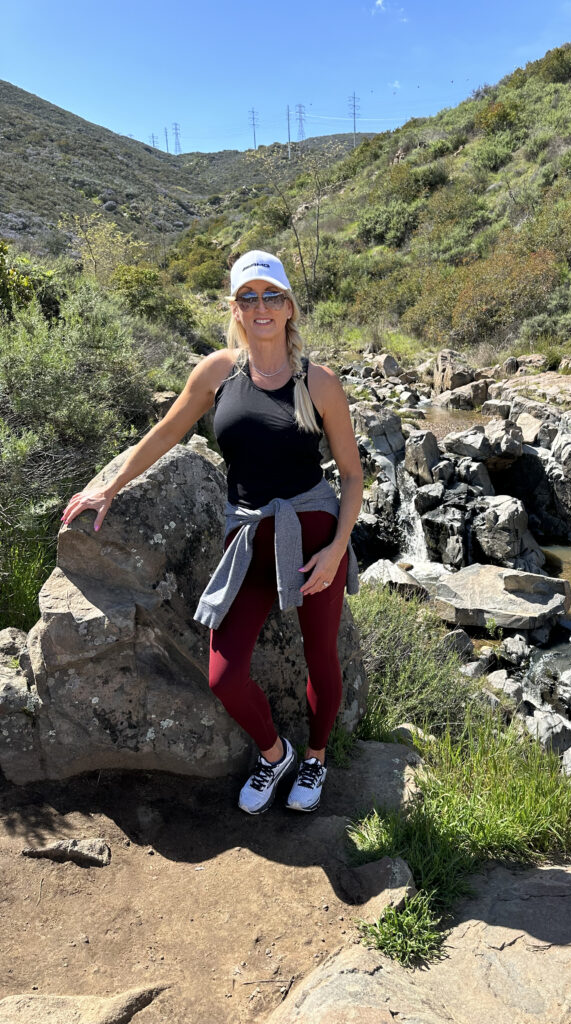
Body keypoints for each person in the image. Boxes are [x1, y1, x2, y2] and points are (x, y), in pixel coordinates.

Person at [61, 250, 363, 816]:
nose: (261, 307)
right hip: (248, 540)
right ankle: (275, 753)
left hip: (312, 536)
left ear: (290, 306)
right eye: (248, 298)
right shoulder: (217, 373)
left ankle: (316, 757)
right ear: (235, 309)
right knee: (224, 675)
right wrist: (112, 485)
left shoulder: (318, 382)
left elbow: (350, 474)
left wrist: (337, 551)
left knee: (321, 658)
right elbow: (166, 432)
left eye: (271, 296)